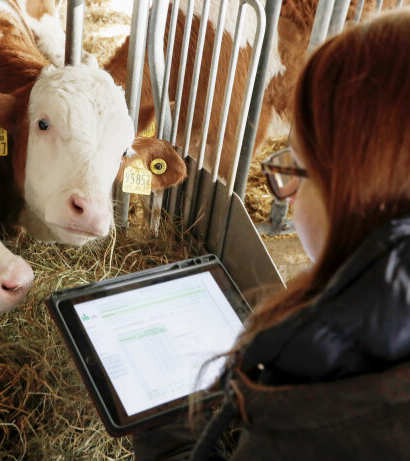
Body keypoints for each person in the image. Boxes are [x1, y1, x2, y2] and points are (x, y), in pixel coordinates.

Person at [133, 9, 410, 461]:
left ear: (358, 184)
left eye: (296, 168)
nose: (289, 194)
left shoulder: (317, 414)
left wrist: (161, 426)